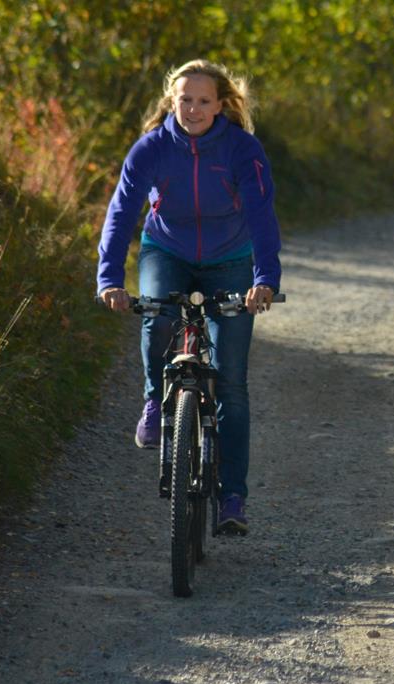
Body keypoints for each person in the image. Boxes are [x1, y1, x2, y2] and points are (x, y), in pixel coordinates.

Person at [96, 59, 282, 536]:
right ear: (171, 101)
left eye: (203, 100)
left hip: (231, 258)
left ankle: (233, 497)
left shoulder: (243, 149)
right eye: (185, 100)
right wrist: (110, 279)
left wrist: (264, 279)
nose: (194, 109)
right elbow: (121, 213)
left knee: (233, 383)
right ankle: (156, 401)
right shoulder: (150, 149)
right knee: (156, 315)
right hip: (168, 251)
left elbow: (261, 214)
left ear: (221, 105)